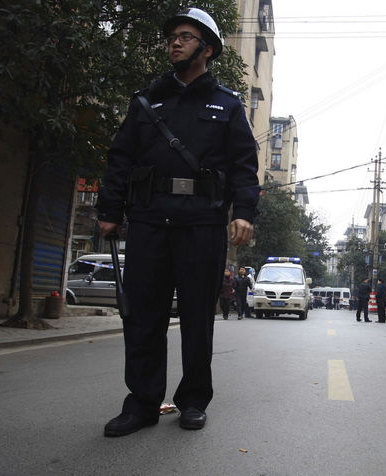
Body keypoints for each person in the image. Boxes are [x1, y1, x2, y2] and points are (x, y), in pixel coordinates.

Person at [97, 8, 259, 437]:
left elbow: (244, 166)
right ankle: (142, 404)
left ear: (207, 49)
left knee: (197, 318)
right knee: (143, 319)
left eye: (185, 36)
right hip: (149, 221)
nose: (175, 42)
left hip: (201, 225)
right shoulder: (146, 102)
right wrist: (109, 211)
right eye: (172, 36)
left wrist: (244, 212)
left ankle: (193, 401)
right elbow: (120, 159)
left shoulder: (227, 105)